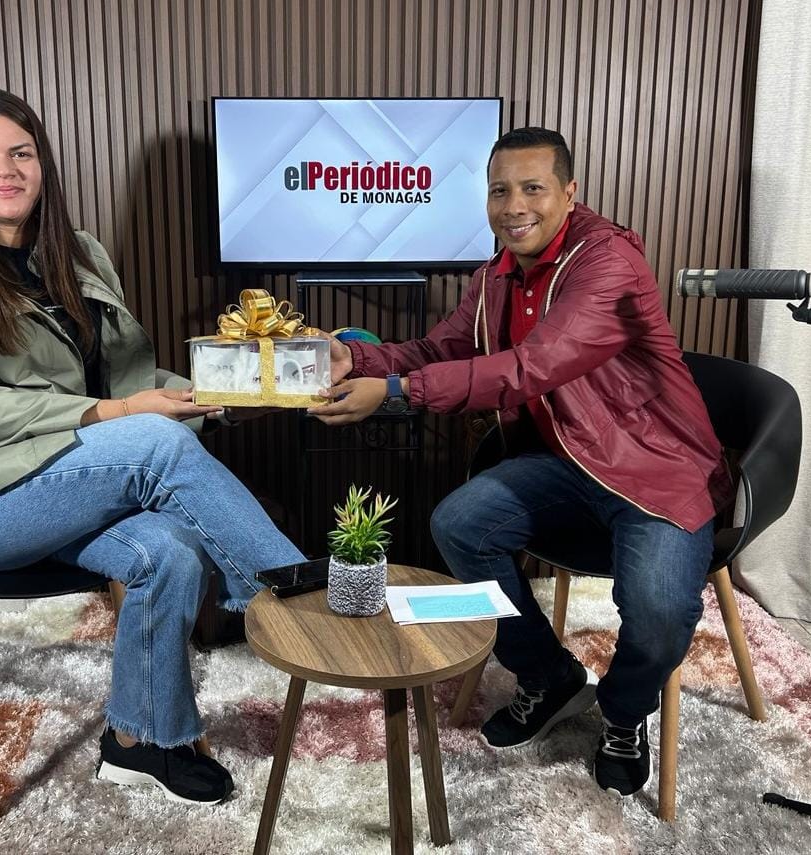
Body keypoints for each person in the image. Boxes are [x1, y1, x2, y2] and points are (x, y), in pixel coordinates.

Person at [0, 88, 306, 805]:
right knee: (152, 444)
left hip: (62, 486)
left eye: (21, 153)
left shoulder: (79, 254)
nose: (4, 169)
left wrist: (212, 396)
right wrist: (119, 413)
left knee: (167, 549)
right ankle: (293, 600)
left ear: (43, 164)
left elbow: (123, 383)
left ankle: (138, 742)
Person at [310, 127, 733, 797]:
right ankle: (547, 674)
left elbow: (533, 366)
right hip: (567, 462)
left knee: (656, 614)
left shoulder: (608, 263)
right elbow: (439, 350)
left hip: (654, 471)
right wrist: (356, 358)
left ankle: (623, 713)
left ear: (569, 193)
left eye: (532, 188)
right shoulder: (495, 276)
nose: (513, 207)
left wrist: (396, 392)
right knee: (460, 524)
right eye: (499, 191)